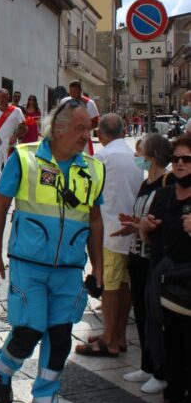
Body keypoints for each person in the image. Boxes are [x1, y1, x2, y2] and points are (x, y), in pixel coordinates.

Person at [0, 99, 105, 403]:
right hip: (29, 263)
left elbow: (95, 221)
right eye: (80, 128)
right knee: (29, 330)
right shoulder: (24, 158)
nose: (87, 135)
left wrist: (97, 266)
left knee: (59, 336)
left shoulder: (93, 169)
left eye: (89, 128)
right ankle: (3, 366)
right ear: (59, 129)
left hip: (69, 267)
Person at [75, 114, 141, 359]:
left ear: (100, 135)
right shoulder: (133, 155)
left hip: (111, 231)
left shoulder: (102, 157)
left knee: (111, 288)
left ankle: (109, 340)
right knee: (123, 286)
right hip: (129, 231)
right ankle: (118, 335)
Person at [113, 133, 172, 393]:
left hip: (153, 258)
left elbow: (161, 224)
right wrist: (132, 226)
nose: (137, 157)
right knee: (142, 313)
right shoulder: (146, 182)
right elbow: (143, 218)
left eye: (141, 153)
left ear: (153, 155)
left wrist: (138, 226)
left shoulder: (166, 183)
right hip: (137, 254)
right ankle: (147, 366)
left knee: (154, 316)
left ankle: (161, 371)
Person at [142, 133, 191, 403]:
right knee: (169, 344)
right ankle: (173, 397)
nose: (181, 165)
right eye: (176, 159)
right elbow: (149, 238)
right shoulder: (163, 194)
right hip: (163, 284)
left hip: (188, 285)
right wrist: (144, 227)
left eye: (187, 159)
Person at [0, 89, 26, 190]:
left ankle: (9, 192)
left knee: (10, 170)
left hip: (10, 146)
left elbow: (24, 128)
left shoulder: (16, 111)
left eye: (4, 97)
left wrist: (15, 136)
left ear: (8, 97)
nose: (2, 99)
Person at [67, 80, 99, 152]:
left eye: (75, 92)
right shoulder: (67, 102)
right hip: (70, 140)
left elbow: (96, 122)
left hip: (84, 141)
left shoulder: (89, 103)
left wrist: (83, 130)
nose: (72, 94)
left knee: (85, 161)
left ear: (80, 91)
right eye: (71, 92)